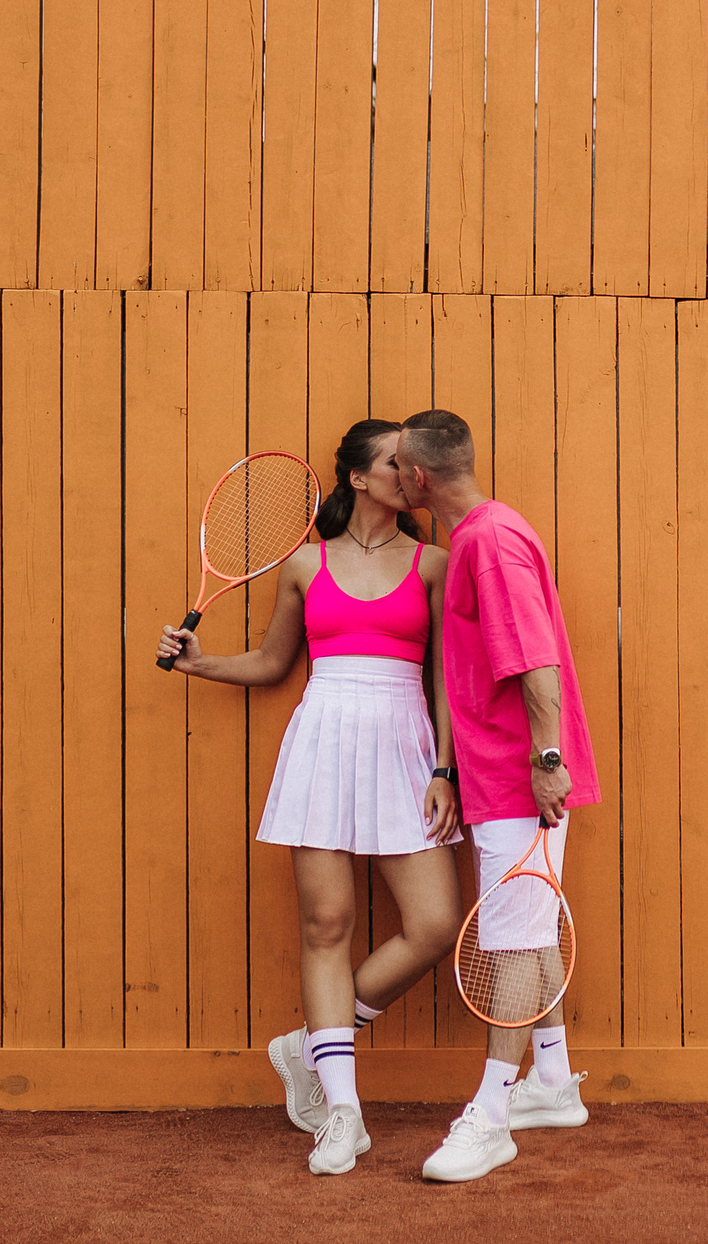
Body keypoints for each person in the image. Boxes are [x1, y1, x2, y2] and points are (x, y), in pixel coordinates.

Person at [157, 418, 465, 1178]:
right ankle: (343, 1114)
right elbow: (273, 663)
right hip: (323, 740)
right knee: (327, 926)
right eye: (396, 462)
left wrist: (445, 771)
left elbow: (446, 679)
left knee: (434, 924)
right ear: (358, 477)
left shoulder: (434, 563)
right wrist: (199, 664)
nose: (411, 473)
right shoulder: (303, 563)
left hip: (406, 746)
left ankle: (313, 1046)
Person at [394, 408, 603, 1184]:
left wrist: (547, 761)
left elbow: (535, 660)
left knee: (512, 939)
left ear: (419, 476)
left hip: (521, 776)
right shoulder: (480, 537)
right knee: (531, 925)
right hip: (502, 773)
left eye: (398, 467)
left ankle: (489, 1116)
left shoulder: (487, 540)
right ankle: (551, 1080)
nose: (396, 478)